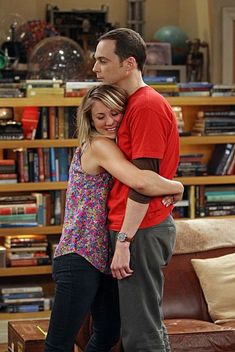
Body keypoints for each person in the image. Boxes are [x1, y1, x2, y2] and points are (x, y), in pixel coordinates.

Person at [44, 84, 183, 352]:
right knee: (59, 344)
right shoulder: (99, 146)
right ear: (90, 120)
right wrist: (178, 187)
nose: (109, 122)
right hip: (78, 255)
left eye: (115, 113)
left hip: (103, 258)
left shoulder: (115, 147)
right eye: (100, 116)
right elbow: (140, 181)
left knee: (108, 333)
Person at [93, 28, 181, 352]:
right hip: (134, 226)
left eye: (103, 61)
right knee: (144, 327)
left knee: (140, 335)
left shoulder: (145, 106)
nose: (96, 69)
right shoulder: (129, 105)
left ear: (129, 63)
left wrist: (124, 241)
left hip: (140, 229)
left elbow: (145, 180)